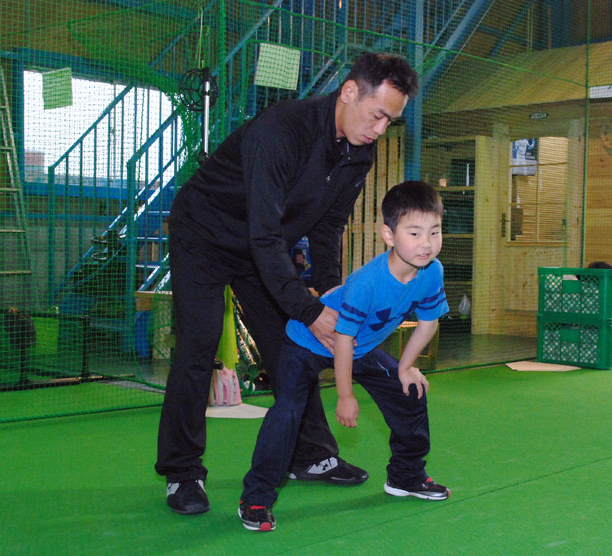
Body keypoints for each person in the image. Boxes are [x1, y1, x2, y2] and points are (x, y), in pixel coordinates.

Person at [156, 53, 419, 515]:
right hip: (206, 234)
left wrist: (337, 303)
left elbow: (328, 227)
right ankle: (182, 473)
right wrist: (310, 309)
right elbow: (263, 234)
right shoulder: (279, 132)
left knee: (290, 346)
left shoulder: (359, 150)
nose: (380, 130)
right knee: (198, 342)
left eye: (390, 122)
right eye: (378, 115)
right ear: (350, 92)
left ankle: (311, 455)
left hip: (265, 245)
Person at [238, 180, 450, 532]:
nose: (426, 243)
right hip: (307, 343)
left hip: (358, 348)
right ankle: (256, 497)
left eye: (435, 232)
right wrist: (346, 395)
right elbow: (340, 339)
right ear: (389, 234)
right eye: (414, 233)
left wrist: (405, 368)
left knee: (410, 393)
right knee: (288, 412)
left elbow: (427, 324)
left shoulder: (432, 273)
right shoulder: (368, 282)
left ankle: (406, 477)